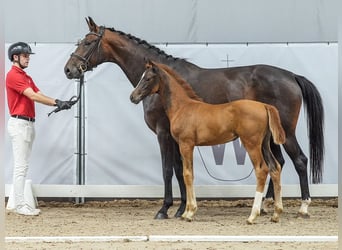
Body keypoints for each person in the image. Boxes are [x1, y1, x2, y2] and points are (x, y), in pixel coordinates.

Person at [6, 42, 75, 216]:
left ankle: (19, 203)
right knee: (21, 166)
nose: (28, 58)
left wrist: (61, 102)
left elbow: (40, 94)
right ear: (16, 57)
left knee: (23, 165)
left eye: (28, 56)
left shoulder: (26, 77)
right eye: (25, 55)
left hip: (28, 123)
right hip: (20, 124)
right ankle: (20, 205)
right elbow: (33, 96)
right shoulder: (14, 75)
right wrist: (57, 102)